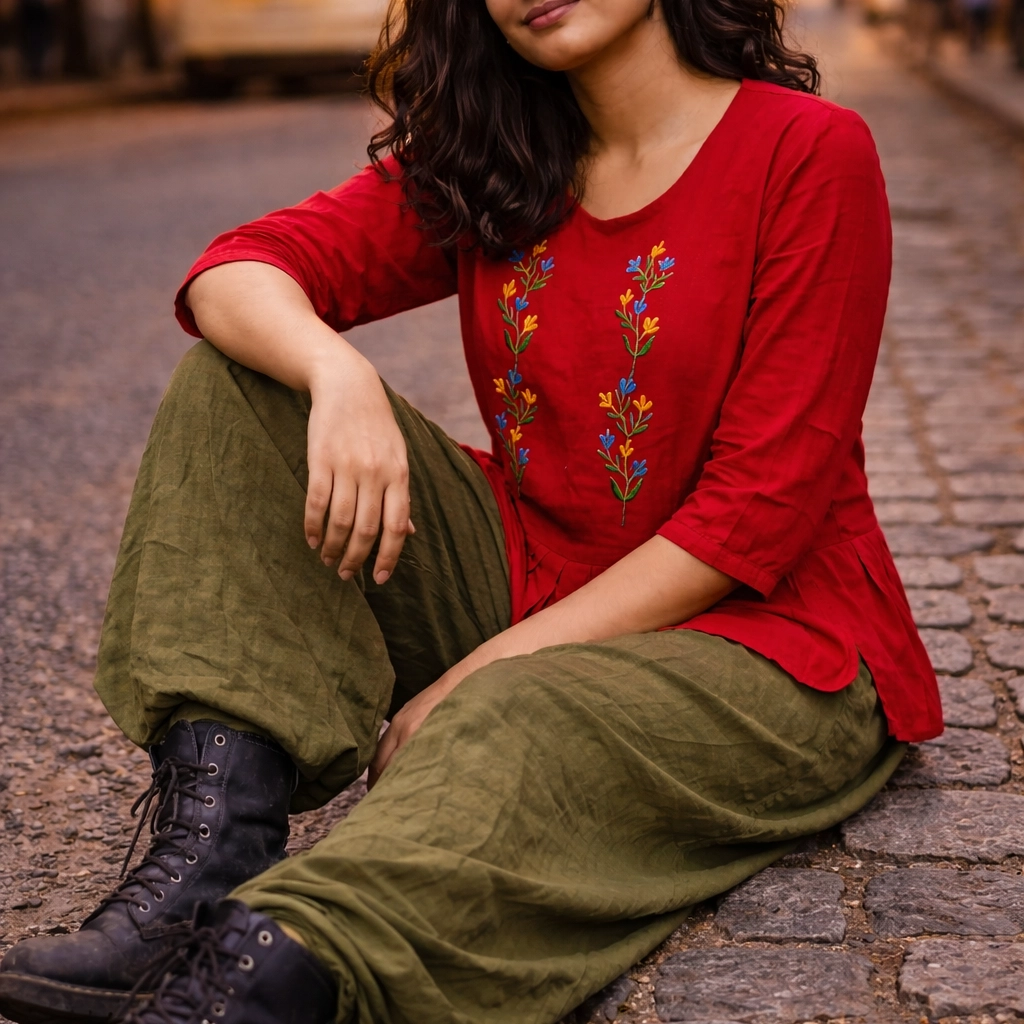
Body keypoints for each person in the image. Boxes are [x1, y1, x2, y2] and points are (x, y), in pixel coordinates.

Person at [0, 0, 943, 1021]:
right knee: (238, 385)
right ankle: (198, 880)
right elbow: (235, 270)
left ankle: (264, 974)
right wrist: (335, 371)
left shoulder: (806, 150)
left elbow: (754, 514)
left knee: (512, 711)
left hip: (779, 643)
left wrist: (479, 670)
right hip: (531, 570)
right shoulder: (504, 152)